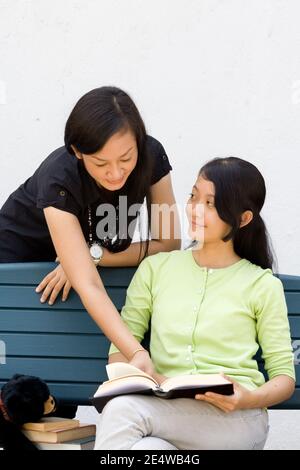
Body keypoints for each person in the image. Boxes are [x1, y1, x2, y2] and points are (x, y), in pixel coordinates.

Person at [94, 156, 295, 450]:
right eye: (193, 196)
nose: (195, 210)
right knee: (147, 450)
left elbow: (284, 378)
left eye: (210, 204)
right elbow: (120, 351)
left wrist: (247, 398)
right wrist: (152, 377)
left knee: (122, 411)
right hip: (167, 412)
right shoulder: (156, 269)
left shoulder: (262, 285)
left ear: (243, 218)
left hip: (235, 420)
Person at [0, 86, 180, 374]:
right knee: (26, 362)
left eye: (126, 158)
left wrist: (92, 257)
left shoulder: (152, 157)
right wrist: (135, 351)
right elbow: (88, 283)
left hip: (86, 256)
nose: (116, 173)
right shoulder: (59, 177)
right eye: (101, 163)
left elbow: (169, 242)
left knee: (69, 364)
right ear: (78, 152)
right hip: (19, 256)